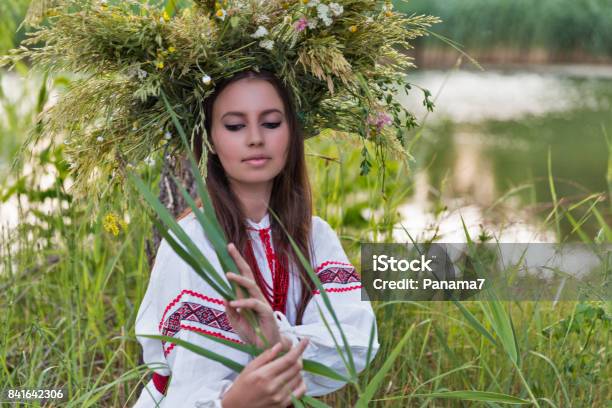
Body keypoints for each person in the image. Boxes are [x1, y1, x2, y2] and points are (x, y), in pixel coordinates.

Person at [133, 69, 379, 408]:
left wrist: (274, 338)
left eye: (271, 123)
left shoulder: (314, 235)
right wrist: (232, 403)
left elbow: (356, 346)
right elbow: (188, 382)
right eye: (235, 126)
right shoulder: (192, 242)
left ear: (292, 132)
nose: (254, 139)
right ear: (210, 140)